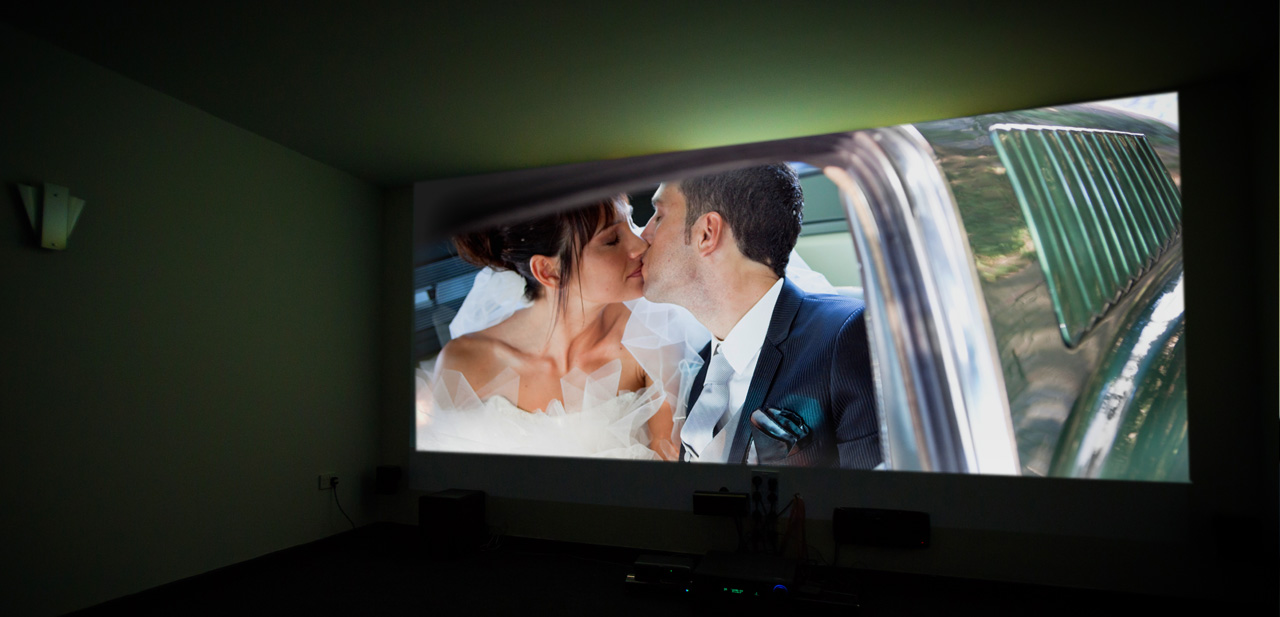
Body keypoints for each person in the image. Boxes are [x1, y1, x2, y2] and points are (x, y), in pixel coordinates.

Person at [639, 164, 882, 468]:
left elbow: (875, 504)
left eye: (659, 216)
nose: (643, 236)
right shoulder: (703, 369)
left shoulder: (843, 338)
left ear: (707, 233)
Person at [418, 195, 683, 460]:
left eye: (630, 222)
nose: (640, 244)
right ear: (548, 271)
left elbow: (669, 472)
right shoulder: (462, 363)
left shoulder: (652, 339)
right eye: (612, 240)